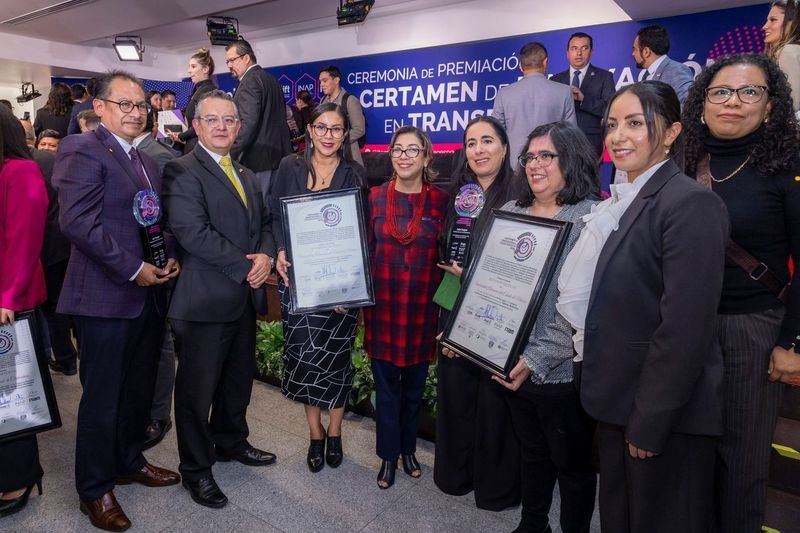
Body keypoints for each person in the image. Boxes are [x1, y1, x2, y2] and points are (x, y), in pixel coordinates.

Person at [573, 81, 728, 533]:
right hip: (620, 403)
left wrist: (650, 421)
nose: (618, 136)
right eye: (612, 125)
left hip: (661, 416)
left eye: (635, 123)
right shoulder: (629, 198)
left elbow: (685, 328)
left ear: (672, 132)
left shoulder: (691, 204)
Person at [54, 70, 181, 531]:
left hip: (147, 295)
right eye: (124, 103)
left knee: (137, 389)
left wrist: (166, 256)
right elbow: (78, 224)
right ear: (100, 107)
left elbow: (153, 219)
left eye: (140, 105)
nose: (135, 112)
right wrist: (133, 267)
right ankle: (94, 488)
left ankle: (128, 460)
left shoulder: (145, 160)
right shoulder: (82, 148)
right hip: (104, 296)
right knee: (102, 397)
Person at [681, 53, 800, 533]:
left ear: (770, 105)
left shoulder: (787, 166)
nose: (733, 101)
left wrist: (792, 343)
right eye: (721, 91)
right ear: (703, 102)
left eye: (749, 91)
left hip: (751, 331)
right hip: (684, 327)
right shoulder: (682, 161)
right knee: (688, 451)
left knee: (742, 461)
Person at [162, 90, 277, 509]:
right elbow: (192, 232)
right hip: (206, 300)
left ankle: (231, 441)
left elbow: (265, 223)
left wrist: (266, 255)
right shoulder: (181, 170)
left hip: (243, 298)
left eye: (229, 120)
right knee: (196, 392)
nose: (222, 127)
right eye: (212, 120)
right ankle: (196, 469)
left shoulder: (245, 173)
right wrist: (247, 267)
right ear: (196, 126)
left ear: (239, 126)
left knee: (236, 381)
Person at [491, 121, 600, 533]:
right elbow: (491, 284)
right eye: (530, 157)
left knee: (573, 466)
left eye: (546, 156)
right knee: (532, 451)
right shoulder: (512, 212)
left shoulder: (589, 219)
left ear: (571, 160)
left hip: (559, 374)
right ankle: (533, 524)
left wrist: (536, 358)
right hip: (510, 361)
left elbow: (581, 308)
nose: (535, 164)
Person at [272, 102, 367, 474]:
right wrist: (280, 249)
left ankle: (336, 431)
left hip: (341, 285)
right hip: (300, 281)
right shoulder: (289, 166)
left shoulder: (355, 172)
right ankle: (315, 433)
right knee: (306, 358)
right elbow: (275, 212)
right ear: (309, 130)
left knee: (337, 358)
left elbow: (361, 232)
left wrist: (350, 289)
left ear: (345, 135)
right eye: (322, 127)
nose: (329, 135)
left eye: (336, 129)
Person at [433, 115, 521, 511]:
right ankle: (455, 475)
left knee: (494, 403)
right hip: (454, 304)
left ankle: (495, 488)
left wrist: (473, 275)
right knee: (456, 395)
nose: (479, 150)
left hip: (500, 311)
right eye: (471, 143)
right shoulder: (459, 194)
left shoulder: (520, 195)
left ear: (504, 148)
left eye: (487, 141)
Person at [363, 126, 448, 489]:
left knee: (414, 390)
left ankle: (409, 450)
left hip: (421, 311)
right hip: (383, 309)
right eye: (398, 149)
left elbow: (449, 256)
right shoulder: (374, 197)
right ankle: (388, 455)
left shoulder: (443, 201)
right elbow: (364, 251)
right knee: (386, 391)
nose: (404, 156)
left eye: (413, 150)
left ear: (426, 158)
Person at [0, 105, 49, 519]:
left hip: (8, 303)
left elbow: (25, 238)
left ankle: (19, 477)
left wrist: (9, 297)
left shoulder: (21, 171)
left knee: (11, 394)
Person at [492, 42, 576, 170]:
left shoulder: (504, 94)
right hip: (551, 165)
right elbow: (571, 135)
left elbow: (496, 134)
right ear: (546, 62)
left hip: (515, 166)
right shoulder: (564, 92)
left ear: (520, 66)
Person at [225, 38, 292, 199]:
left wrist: (230, 151)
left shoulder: (249, 82)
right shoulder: (271, 79)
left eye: (232, 60)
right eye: (227, 62)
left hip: (259, 160)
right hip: (279, 157)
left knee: (260, 208)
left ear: (246, 58)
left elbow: (248, 123)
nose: (229, 65)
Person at [552, 32, 616, 156]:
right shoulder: (555, 80)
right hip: (561, 143)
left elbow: (610, 109)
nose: (579, 53)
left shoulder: (604, 77)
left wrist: (584, 99)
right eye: (574, 48)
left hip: (591, 143)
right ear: (567, 53)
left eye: (584, 48)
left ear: (591, 52)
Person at [168, 48, 217, 154]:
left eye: (193, 66)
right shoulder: (198, 90)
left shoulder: (208, 91)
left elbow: (202, 123)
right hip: (193, 147)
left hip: (200, 149)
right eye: (189, 66)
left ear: (205, 69)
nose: (189, 70)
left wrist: (181, 136)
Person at [632, 25, 694, 105]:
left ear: (646, 51)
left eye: (635, 49)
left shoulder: (676, 70)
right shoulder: (646, 76)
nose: (633, 54)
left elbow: (689, 105)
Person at [319, 65, 366, 166]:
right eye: (320, 81)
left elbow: (359, 129)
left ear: (336, 80)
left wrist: (337, 139)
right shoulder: (322, 102)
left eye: (325, 80)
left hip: (348, 157)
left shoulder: (350, 101)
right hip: (328, 160)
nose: (321, 84)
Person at [763, 0, 800, 114]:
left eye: (773, 20)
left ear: (792, 22)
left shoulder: (788, 51)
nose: (765, 27)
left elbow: (792, 104)